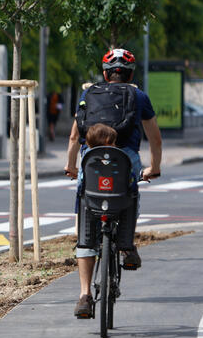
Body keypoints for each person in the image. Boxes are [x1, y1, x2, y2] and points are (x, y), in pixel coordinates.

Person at [63, 49, 162, 319]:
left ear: (105, 74)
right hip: (125, 162)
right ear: (131, 74)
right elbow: (155, 139)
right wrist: (154, 168)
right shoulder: (139, 96)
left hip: (91, 162)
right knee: (130, 192)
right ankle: (127, 245)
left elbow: (74, 137)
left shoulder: (88, 94)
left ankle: (84, 295)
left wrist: (72, 166)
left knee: (86, 219)